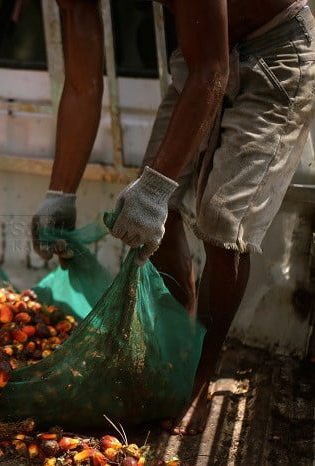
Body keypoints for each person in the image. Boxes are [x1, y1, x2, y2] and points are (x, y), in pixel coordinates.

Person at [32, 0, 315, 435]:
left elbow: (212, 72)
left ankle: (199, 373)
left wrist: (154, 191)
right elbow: (82, 84)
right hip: (201, 53)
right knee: (154, 203)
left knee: (223, 222)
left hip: (276, 48)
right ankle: (177, 344)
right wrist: (59, 194)